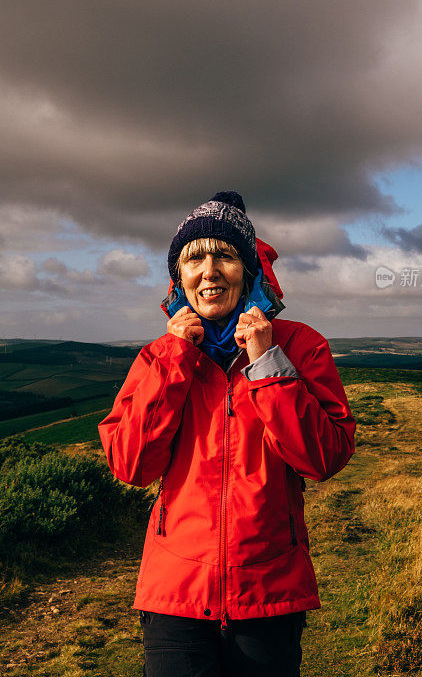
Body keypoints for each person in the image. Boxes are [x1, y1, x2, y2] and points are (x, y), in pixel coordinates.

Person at [99, 191, 356, 677]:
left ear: (250, 271)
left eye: (226, 255)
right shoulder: (159, 356)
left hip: (269, 591)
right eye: (194, 258)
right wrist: (176, 359)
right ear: (179, 277)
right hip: (175, 591)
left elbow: (324, 458)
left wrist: (266, 364)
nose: (210, 270)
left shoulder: (299, 345)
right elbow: (131, 465)